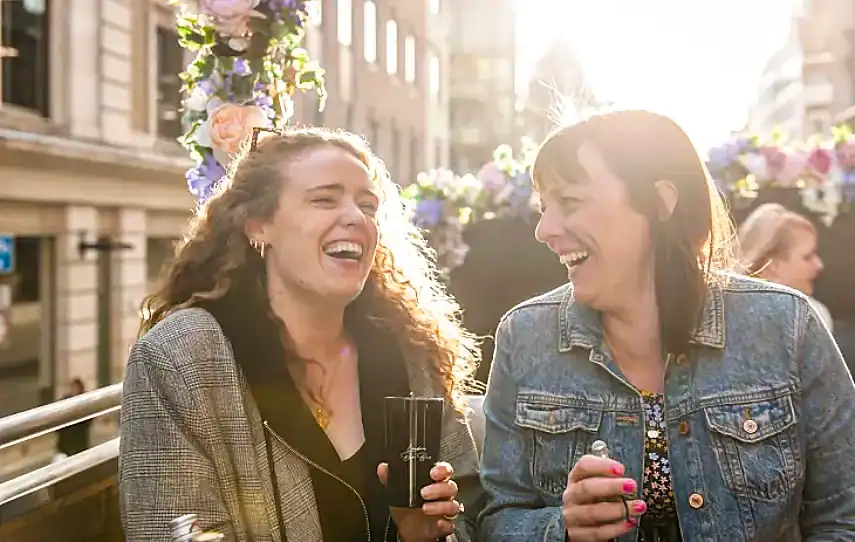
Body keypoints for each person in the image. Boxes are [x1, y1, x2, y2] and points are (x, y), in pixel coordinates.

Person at [478, 110, 855, 542]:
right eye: (544, 208)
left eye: (571, 202)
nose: (544, 230)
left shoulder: (787, 326)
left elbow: (844, 516)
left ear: (661, 202)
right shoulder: (524, 337)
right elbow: (497, 518)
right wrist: (561, 528)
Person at [119, 126, 483, 542]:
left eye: (367, 205)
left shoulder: (411, 351)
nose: (355, 217)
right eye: (324, 199)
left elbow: (470, 512)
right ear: (258, 225)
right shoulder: (180, 357)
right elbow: (173, 531)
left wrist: (426, 537)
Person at [738, 203, 832, 332]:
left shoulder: (815, 314)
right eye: (807, 257)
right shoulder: (726, 315)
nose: (819, 265)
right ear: (774, 265)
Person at [53, 378, 92, 462]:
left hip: (79, 444)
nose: (74, 390)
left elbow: (88, 421)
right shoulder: (64, 402)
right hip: (65, 445)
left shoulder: (85, 402)